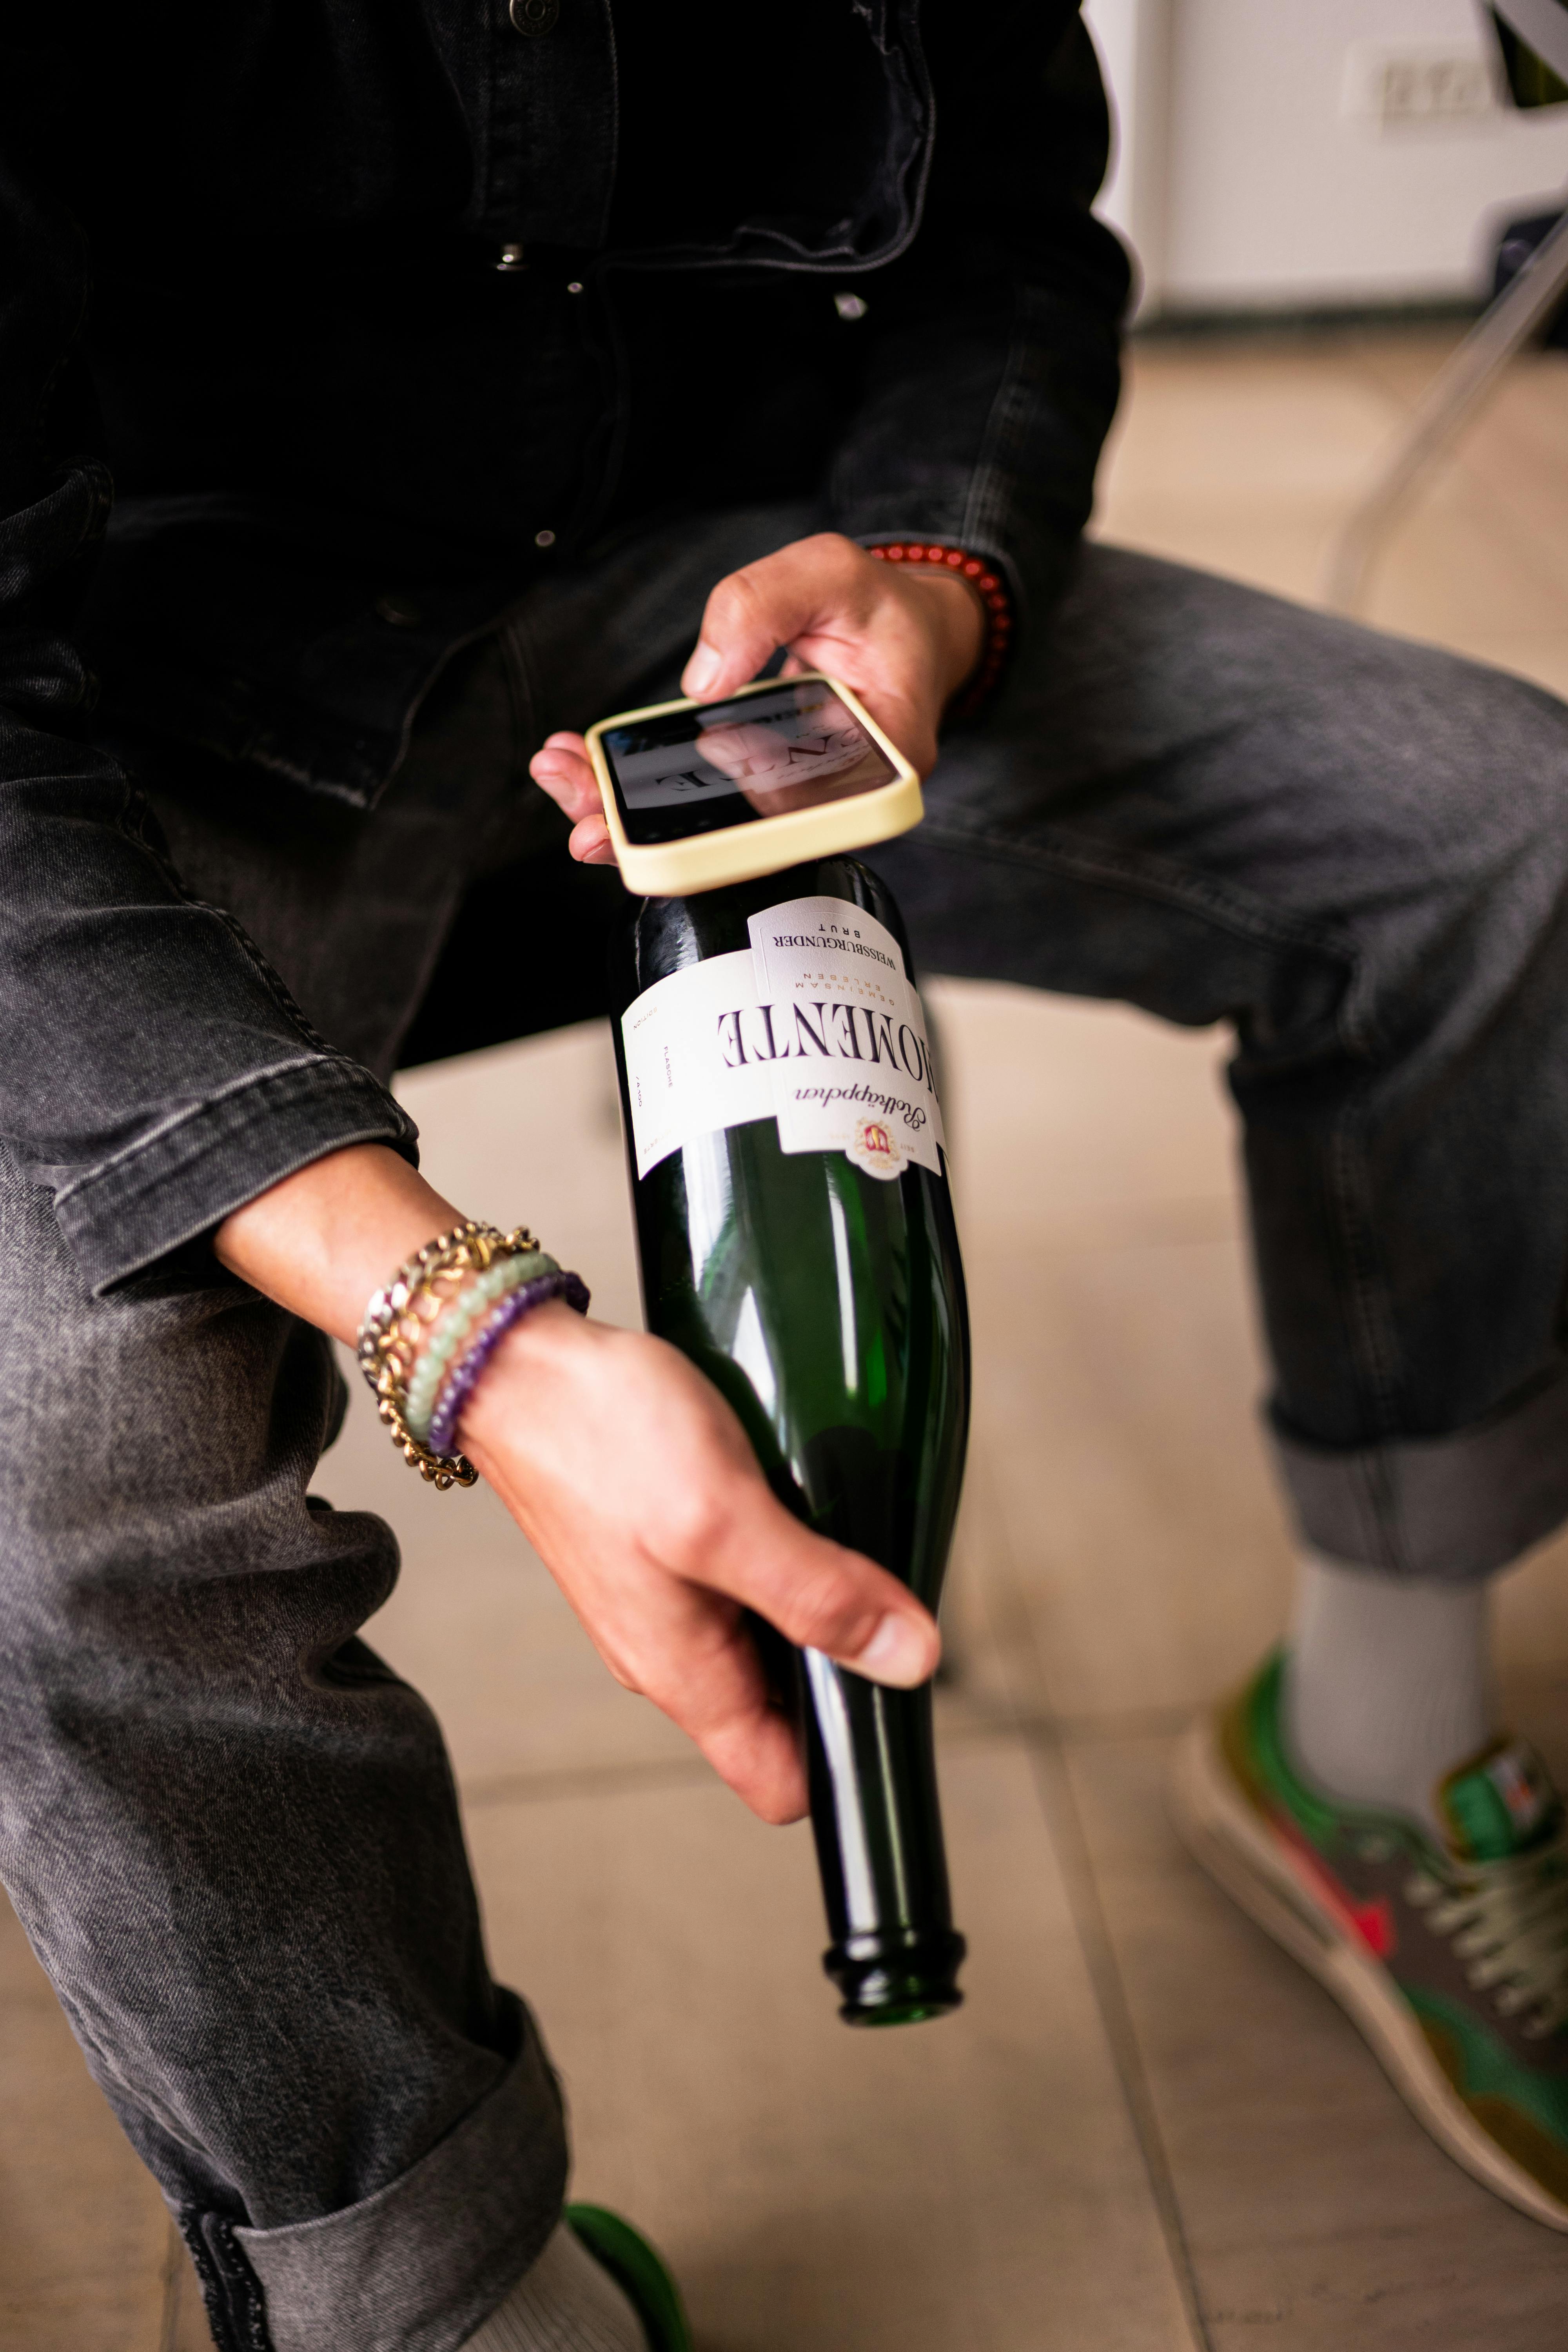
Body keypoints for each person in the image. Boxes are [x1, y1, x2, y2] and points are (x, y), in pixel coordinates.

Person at [3, 4, 1568, 2346]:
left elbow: (1011, 236)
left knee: (1495, 834)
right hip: (170, 700)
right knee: (65, 1455)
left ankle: (1371, 1742)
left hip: (721, 627)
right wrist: (482, 1341)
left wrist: (938, 571)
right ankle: (430, 2288)